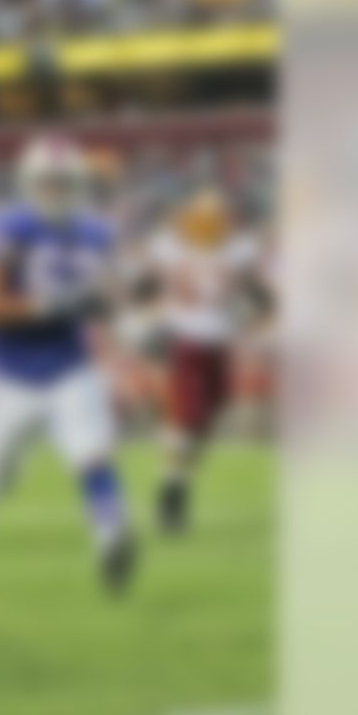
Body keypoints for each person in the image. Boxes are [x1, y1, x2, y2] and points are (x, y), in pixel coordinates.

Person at [0, 134, 138, 594]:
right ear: (28, 183)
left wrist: (121, 317)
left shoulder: (97, 232)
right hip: (12, 373)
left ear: (78, 183)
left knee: (92, 452)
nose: (55, 190)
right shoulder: (1, 228)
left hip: (70, 364)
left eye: (63, 182)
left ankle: (111, 535)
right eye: (46, 182)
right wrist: (48, 306)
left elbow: (110, 299)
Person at [145, 188, 272, 533]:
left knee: (205, 419)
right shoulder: (186, 247)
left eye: (212, 223)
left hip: (218, 343)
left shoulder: (174, 246)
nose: (208, 229)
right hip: (185, 340)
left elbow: (253, 290)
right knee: (188, 418)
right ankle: (172, 490)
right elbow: (254, 290)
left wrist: (259, 307)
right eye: (203, 222)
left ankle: (177, 480)